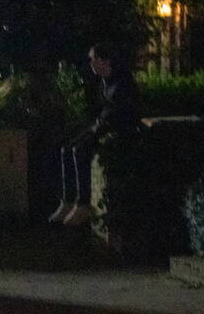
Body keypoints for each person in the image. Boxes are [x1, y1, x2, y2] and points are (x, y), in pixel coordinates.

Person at [49, 42, 139, 226]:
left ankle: (83, 204)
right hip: (102, 126)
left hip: (117, 130)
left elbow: (121, 111)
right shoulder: (105, 81)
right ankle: (68, 200)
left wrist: (100, 128)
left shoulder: (121, 81)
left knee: (80, 150)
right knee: (67, 149)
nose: (91, 64)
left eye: (93, 59)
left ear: (103, 60)